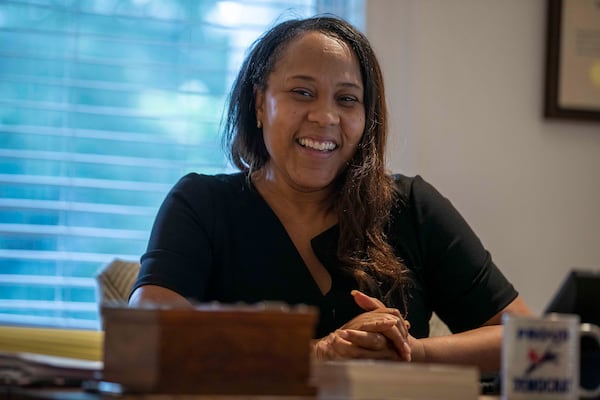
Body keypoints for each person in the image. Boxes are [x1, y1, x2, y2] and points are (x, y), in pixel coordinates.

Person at [129, 15, 531, 372]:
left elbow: (525, 341)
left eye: (347, 99)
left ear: (366, 118)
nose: (325, 117)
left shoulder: (411, 207)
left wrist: (413, 352)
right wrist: (318, 354)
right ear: (259, 103)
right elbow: (145, 336)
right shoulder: (201, 204)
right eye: (302, 92)